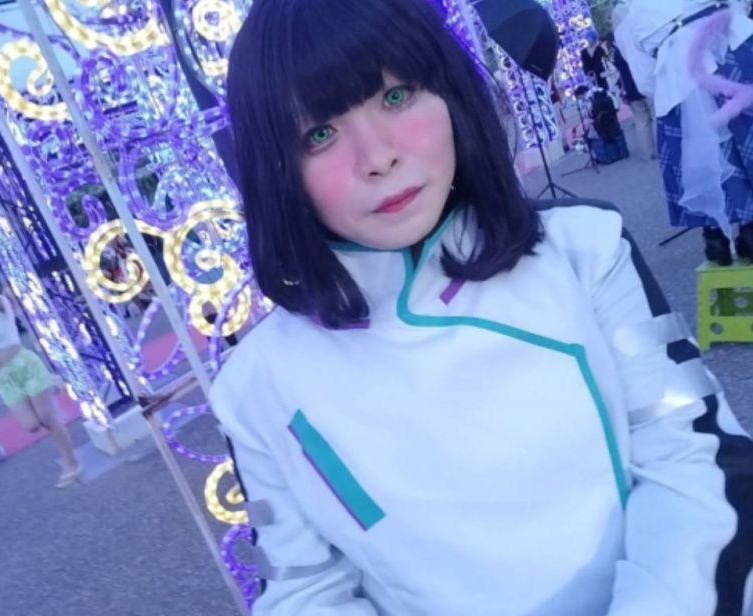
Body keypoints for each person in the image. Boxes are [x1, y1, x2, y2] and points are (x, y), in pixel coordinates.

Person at [211, 0, 753, 614]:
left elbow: (698, 455)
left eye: (395, 96)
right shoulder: (255, 387)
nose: (377, 157)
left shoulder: (584, 249)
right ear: (276, 171)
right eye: (320, 134)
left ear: (451, 91)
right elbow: (300, 589)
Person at [625, 0, 753, 265]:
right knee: (745, 140)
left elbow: (644, 81)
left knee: (697, 156)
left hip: (677, 78)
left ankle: (715, 235)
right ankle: (751, 229)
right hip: (731, 50)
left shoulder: (631, 11)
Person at [0, 268, 81, 488]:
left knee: (48, 419)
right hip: (2, 378)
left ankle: (71, 462)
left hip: (24, 366)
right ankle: (52, 385)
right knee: (31, 425)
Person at [612, 4, 657, 160]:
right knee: (656, 116)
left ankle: (647, 152)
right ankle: (662, 148)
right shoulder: (635, 35)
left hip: (631, 88)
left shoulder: (617, 48)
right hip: (645, 80)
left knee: (641, 121)